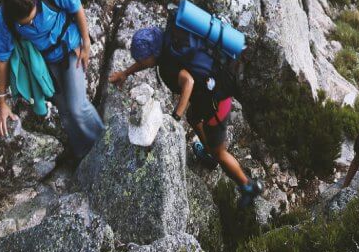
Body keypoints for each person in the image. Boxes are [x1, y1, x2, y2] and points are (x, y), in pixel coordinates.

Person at [109, 26, 262, 201]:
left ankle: (248, 186)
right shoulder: (169, 41)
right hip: (207, 95)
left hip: (218, 102)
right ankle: (208, 154)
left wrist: (175, 117)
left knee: (219, 151)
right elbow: (147, 60)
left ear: (153, 54)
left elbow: (188, 82)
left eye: (143, 59)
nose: (142, 63)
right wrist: (125, 73)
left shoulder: (169, 64)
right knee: (193, 117)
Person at [0, 0, 105, 160]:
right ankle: (83, 156)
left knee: (78, 107)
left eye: (33, 18)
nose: (32, 25)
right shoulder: (4, 18)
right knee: (65, 112)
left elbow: (75, 4)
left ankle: (105, 147)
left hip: (70, 47)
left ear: (35, 2)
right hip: (46, 62)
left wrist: (86, 41)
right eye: (25, 25)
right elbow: (2, 60)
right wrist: (2, 104)